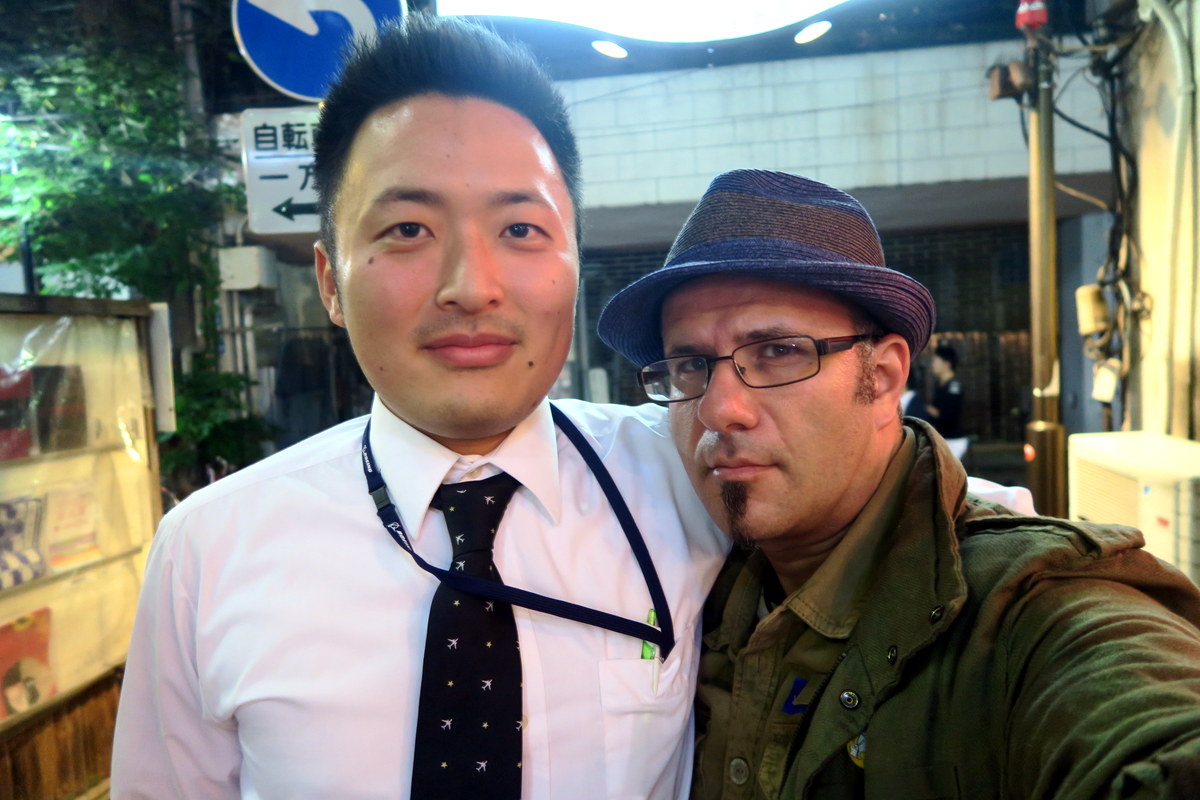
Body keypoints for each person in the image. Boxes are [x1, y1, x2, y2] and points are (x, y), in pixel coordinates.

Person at [109, 16, 733, 799]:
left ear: (575, 261)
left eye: (520, 228)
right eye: (408, 229)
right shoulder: (208, 550)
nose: (471, 287)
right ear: (329, 282)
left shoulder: (689, 477)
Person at [596, 169, 1200, 799]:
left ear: (883, 378)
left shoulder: (1029, 612)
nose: (720, 408)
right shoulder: (688, 583)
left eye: (778, 351)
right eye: (690, 364)